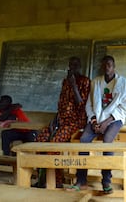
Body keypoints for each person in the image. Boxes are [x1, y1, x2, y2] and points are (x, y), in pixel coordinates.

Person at [67, 55, 126, 194]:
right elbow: (89, 104)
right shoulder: (95, 82)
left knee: (107, 141)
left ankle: (106, 181)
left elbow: (124, 108)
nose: (106, 67)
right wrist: (95, 121)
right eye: (104, 65)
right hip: (97, 119)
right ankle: (81, 180)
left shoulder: (124, 83)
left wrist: (106, 122)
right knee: (84, 140)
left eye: (109, 64)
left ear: (114, 67)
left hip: (114, 120)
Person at [34, 56, 90, 188]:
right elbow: (62, 104)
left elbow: (81, 103)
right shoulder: (65, 82)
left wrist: (74, 85)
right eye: (71, 65)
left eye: (76, 65)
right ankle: (42, 179)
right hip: (61, 120)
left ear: (80, 67)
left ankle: (56, 181)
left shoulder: (85, 81)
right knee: (40, 140)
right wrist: (55, 120)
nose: (73, 68)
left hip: (75, 122)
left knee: (55, 144)